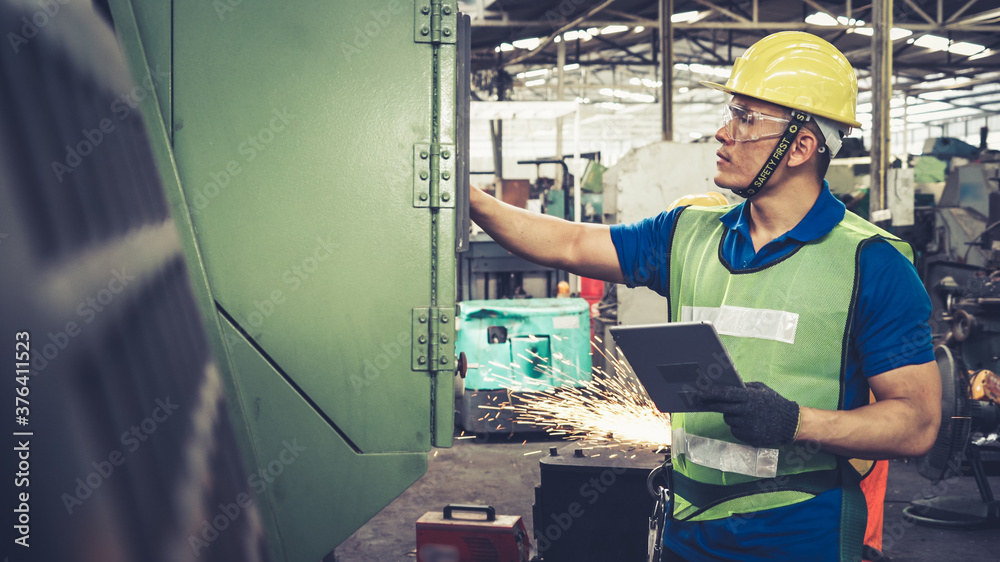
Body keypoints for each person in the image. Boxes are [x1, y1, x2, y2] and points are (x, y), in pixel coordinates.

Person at [469, 31, 942, 562]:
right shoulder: (687, 233)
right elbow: (572, 243)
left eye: (745, 119)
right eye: (730, 113)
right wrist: (467, 198)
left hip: (797, 536)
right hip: (687, 530)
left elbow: (918, 422)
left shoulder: (871, 262)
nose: (723, 132)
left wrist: (797, 423)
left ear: (801, 146)